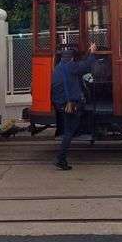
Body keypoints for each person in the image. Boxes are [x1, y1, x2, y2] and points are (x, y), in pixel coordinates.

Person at [51, 42, 98, 170]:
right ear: (71, 58)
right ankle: (61, 158)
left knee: (69, 130)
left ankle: (61, 158)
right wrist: (92, 53)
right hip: (70, 104)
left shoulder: (59, 67)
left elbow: (80, 65)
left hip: (61, 104)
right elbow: (85, 66)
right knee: (69, 132)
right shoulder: (71, 67)